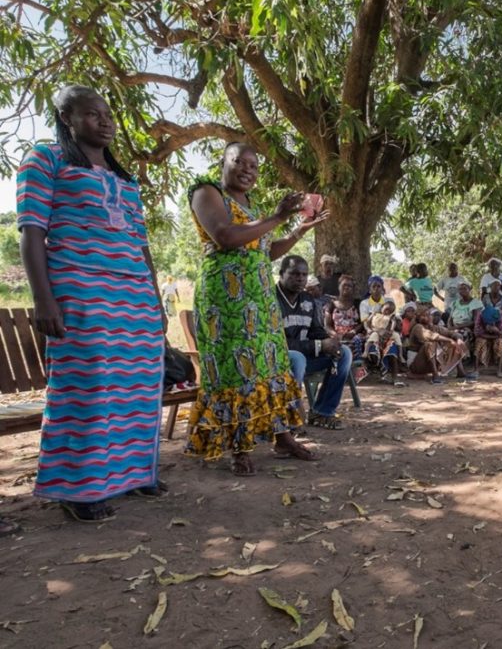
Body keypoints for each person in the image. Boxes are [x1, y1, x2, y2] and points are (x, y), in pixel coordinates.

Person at [17, 85, 166, 521]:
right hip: (80, 289)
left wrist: (155, 306)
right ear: (67, 118)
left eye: (107, 114)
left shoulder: (125, 180)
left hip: (133, 296)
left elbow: (142, 249)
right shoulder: (44, 160)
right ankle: (78, 488)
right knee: (88, 385)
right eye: (91, 114)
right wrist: (44, 300)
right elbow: (31, 233)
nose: (104, 121)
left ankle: (132, 476)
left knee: (136, 387)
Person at [185, 142, 320, 476]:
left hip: (258, 302)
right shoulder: (206, 192)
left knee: (269, 366)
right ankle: (239, 447)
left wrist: (296, 230)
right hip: (225, 301)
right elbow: (226, 236)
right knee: (235, 369)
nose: (248, 170)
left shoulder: (250, 204)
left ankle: (282, 436)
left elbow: (264, 251)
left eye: (254, 166)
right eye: (239, 162)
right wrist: (276, 216)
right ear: (223, 162)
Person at [276, 256, 354, 430]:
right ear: (281, 274)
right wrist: (318, 346)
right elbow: (277, 343)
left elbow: (315, 330)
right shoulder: (271, 301)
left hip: (306, 357)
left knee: (344, 354)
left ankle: (322, 413)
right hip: (277, 360)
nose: (300, 278)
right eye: (295, 274)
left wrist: (329, 342)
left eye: (304, 275)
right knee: (297, 358)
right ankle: (289, 418)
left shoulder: (307, 300)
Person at [408, 309, 470, 384]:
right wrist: (450, 340)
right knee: (430, 344)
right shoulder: (417, 327)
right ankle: (435, 376)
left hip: (428, 363)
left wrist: (458, 339)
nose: (426, 317)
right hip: (416, 364)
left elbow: (450, 333)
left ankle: (461, 372)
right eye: (423, 316)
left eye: (428, 315)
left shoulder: (435, 327)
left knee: (454, 343)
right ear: (418, 318)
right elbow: (431, 336)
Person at [326, 275, 367, 382]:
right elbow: (327, 325)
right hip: (337, 333)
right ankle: (337, 373)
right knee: (333, 343)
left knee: (357, 340)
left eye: (350, 286)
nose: (346, 288)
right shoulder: (331, 304)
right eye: (344, 285)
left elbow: (363, 322)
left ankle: (357, 374)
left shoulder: (358, 303)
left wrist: (354, 331)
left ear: (353, 289)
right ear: (339, 286)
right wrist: (335, 334)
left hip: (354, 332)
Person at [364, 297, 402, 382]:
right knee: (373, 348)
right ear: (382, 307)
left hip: (388, 338)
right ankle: (381, 373)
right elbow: (368, 324)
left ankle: (395, 377)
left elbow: (396, 328)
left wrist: (390, 329)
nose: (387, 312)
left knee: (392, 349)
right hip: (376, 336)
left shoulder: (393, 318)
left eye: (390, 311)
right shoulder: (375, 315)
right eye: (386, 309)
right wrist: (372, 330)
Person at [474, 302, 502, 371]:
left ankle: (499, 370)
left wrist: (497, 331)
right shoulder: (480, 315)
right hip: (484, 335)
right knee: (480, 341)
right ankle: (476, 369)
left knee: (500, 342)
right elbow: (477, 333)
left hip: (496, 335)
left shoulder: (501, 314)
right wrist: (489, 335)